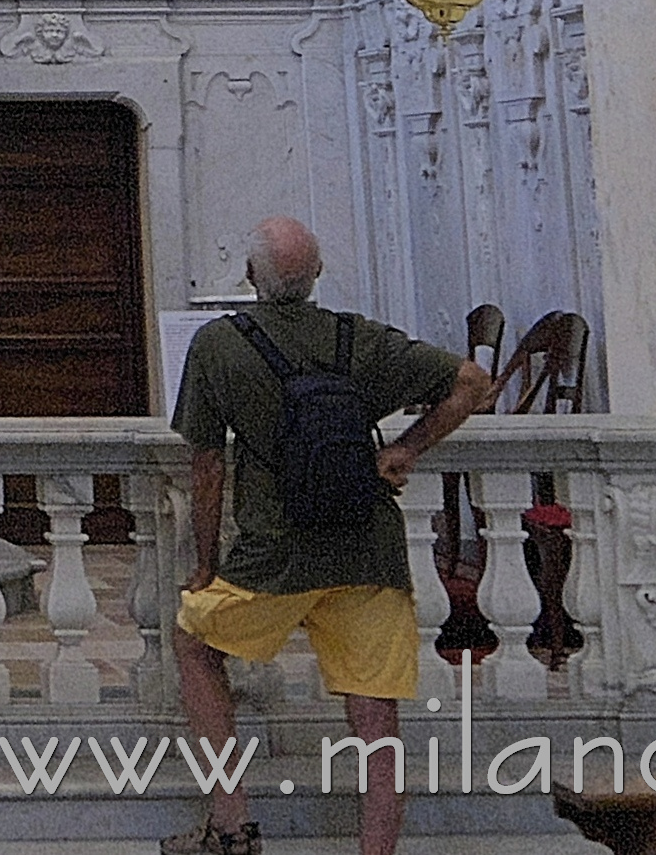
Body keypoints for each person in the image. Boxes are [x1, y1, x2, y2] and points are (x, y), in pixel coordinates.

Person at [169, 217, 493, 855]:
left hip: (274, 553)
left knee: (194, 642)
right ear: (317, 276)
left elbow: (206, 468)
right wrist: (405, 449)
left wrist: (206, 563)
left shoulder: (218, 346)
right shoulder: (359, 340)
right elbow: (473, 384)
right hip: (367, 550)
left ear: (250, 278)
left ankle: (230, 824)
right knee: (374, 716)